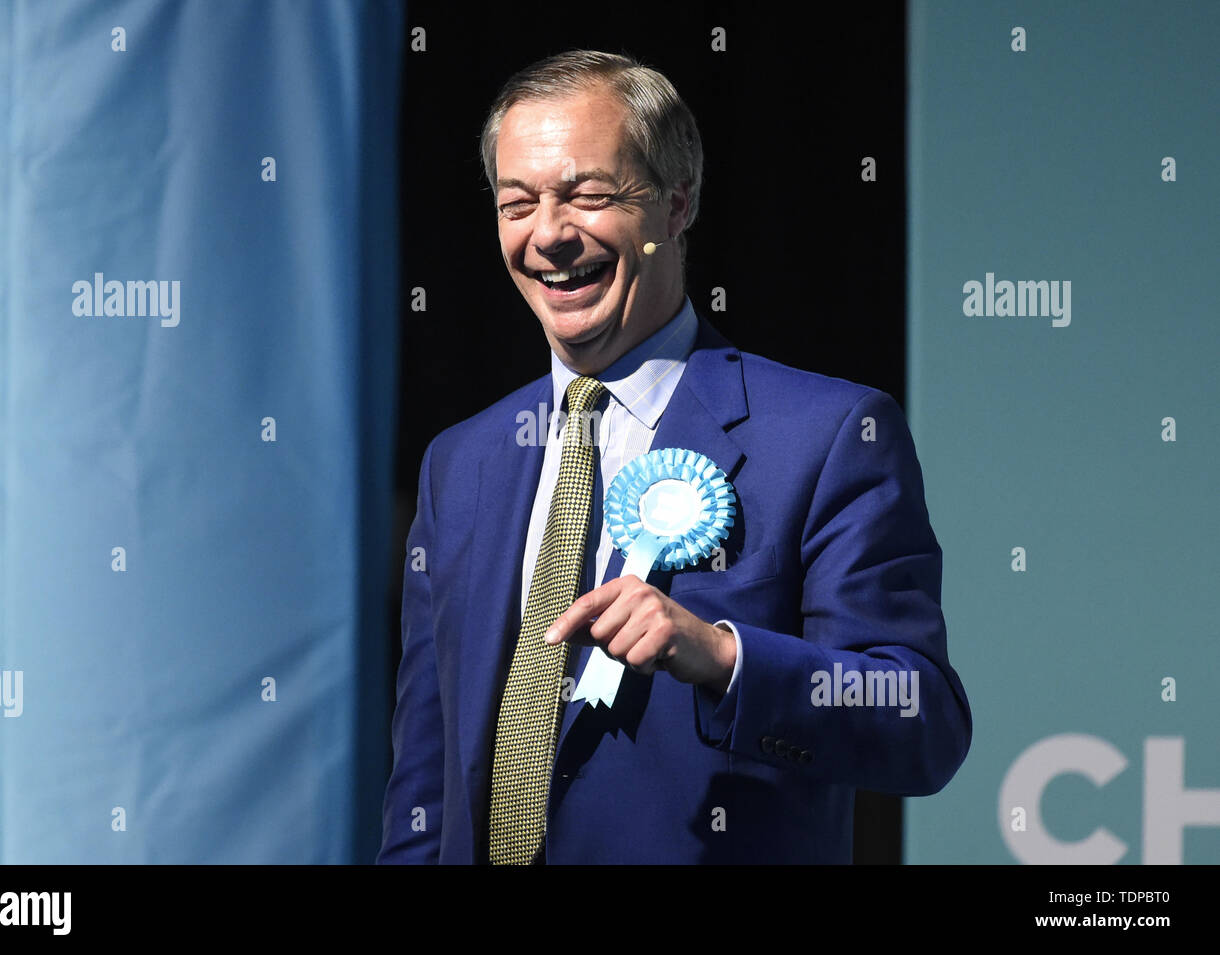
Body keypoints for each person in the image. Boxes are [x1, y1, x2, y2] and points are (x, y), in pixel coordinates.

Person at [378, 49, 971, 864]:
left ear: (675, 203)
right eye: (518, 203)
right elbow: (425, 774)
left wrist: (724, 656)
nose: (548, 234)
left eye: (588, 195)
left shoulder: (828, 436)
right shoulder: (460, 461)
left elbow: (921, 721)